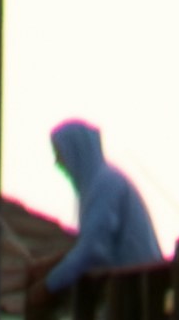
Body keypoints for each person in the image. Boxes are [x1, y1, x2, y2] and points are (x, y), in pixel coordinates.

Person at [45, 120, 166, 287]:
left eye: (60, 154)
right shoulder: (100, 184)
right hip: (132, 288)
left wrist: (49, 285)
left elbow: (94, 250)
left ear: (75, 151)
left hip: (138, 291)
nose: (57, 162)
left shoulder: (105, 185)